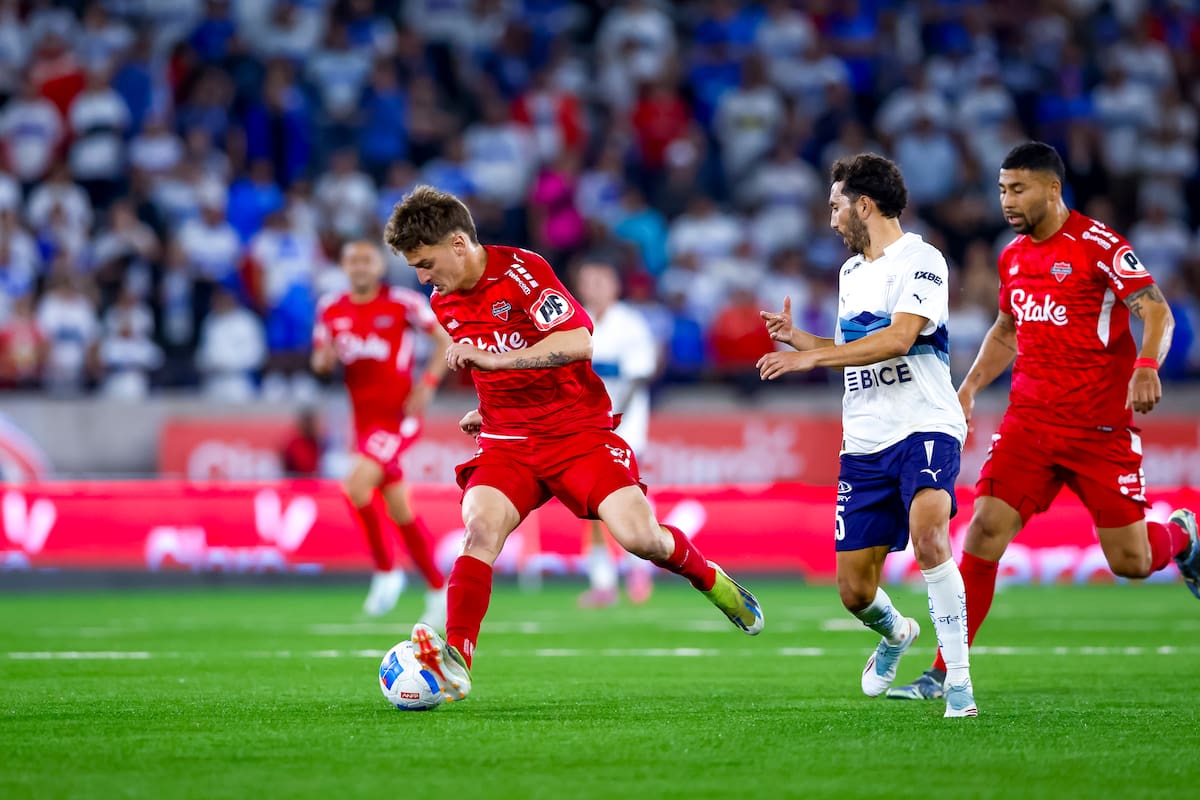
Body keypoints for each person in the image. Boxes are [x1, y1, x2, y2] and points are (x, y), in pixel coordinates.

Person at [382, 185, 763, 702]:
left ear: (457, 243)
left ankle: (711, 580)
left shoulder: (522, 271)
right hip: (507, 440)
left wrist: (497, 363)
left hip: (576, 433)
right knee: (479, 532)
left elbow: (578, 341)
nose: (423, 278)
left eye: (426, 263)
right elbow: (490, 362)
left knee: (639, 537)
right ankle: (456, 660)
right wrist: (488, 404)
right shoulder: (443, 300)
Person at [888, 142, 1197, 701]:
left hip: (1099, 429)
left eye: (1019, 188)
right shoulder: (1012, 256)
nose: (1007, 200)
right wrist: (971, 386)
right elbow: (1008, 329)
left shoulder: (1099, 246)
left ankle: (1182, 537)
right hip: (1029, 424)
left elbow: (1156, 310)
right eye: (1003, 189)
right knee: (982, 533)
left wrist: (1147, 365)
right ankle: (941, 672)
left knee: (1131, 562)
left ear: (1052, 189)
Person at [757, 154, 977, 718]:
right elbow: (850, 354)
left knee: (931, 536)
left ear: (863, 205)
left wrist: (813, 361)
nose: (830, 221)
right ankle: (897, 633)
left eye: (835, 207)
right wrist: (799, 340)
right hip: (865, 438)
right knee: (854, 591)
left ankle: (959, 685)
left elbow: (899, 339)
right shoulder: (850, 274)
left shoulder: (922, 260)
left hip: (926, 422)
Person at [311, 240, 453, 626]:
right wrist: (322, 363)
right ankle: (439, 588)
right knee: (399, 508)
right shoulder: (331, 309)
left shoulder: (402, 303)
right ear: (343, 266)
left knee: (355, 486)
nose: (359, 266)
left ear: (378, 266)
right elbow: (320, 359)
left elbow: (444, 338)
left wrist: (427, 382)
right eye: (351, 260)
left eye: (366, 260)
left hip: (399, 415)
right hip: (363, 423)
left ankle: (387, 571)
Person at [573, 258, 659, 607]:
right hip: (582, 424)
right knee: (587, 501)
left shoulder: (630, 324)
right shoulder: (574, 322)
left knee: (628, 497)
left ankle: (639, 568)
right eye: (588, 281)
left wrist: (613, 413)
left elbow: (641, 374)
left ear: (614, 286)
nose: (593, 288)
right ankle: (603, 580)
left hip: (624, 424)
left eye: (600, 280)